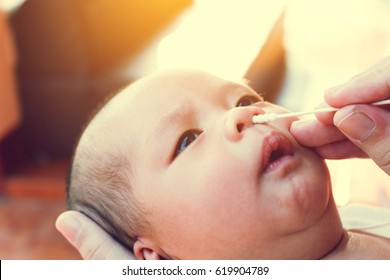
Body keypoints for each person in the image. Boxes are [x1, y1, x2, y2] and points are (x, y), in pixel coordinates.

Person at [57, 67, 390, 259]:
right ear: (156, 263)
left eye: (245, 99)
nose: (241, 115)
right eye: (188, 139)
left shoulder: (366, 217)